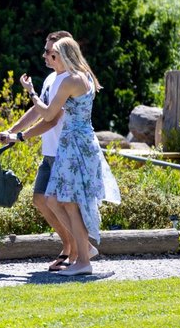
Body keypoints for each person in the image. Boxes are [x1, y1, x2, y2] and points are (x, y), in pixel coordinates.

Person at [16, 37, 120, 276]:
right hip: (74, 143)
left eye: (53, 55)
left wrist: (31, 92)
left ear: (64, 56)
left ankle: (84, 261)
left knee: (70, 204)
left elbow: (49, 114)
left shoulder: (71, 80)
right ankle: (86, 251)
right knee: (54, 200)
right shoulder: (83, 76)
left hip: (75, 145)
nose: (50, 59)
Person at [0, 31, 86, 272]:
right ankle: (69, 246)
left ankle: (77, 253)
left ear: (62, 54)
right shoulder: (50, 79)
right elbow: (37, 111)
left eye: (49, 52)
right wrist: (10, 131)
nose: (44, 55)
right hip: (50, 151)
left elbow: (51, 119)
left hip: (63, 152)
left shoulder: (71, 80)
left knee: (60, 203)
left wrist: (20, 137)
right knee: (40, 200)